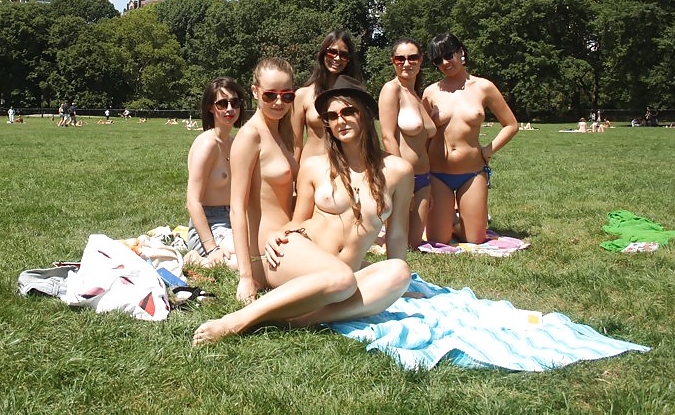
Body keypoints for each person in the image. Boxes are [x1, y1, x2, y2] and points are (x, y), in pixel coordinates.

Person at [193, 76, 412, 345]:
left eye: (348, 111)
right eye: (332, 116)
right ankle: (238, 320)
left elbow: (398, 234)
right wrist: (279, 233)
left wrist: (405, 289)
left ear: (365, 113)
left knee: (399, 273)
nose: (340, 121)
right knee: (342, 279)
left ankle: (299, 320)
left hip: (343, 273)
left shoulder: (399, 172)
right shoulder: (315, 166)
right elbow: (299, 220)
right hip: (297, 255)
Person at [422, 33, 518, 244]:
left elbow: (511, 125)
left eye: (449, 55)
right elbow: (424, 135)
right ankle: (450, 221)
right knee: (439, 240)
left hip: (472, 173)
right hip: (438, 174)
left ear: (461, 52)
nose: (445, 63)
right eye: (438, 60)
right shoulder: (430, 93)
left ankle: (458, 223)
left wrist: (488, 150)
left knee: (475, 240)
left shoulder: (484, 87)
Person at [228, 57, 299, 305]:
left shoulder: (281, 132)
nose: (279, 102)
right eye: (270, 95)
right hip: (267, 253)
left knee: (358, 267)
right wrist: (246, 276)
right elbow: (237, 208)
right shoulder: (250, 136)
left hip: (289, 237)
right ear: (255, 91)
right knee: (340, 277)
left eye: (286, 96)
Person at [379, 37, 436, 248]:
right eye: (400, 58)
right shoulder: (391, 90)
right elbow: (388, 137)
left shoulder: (415, 94)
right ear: (393, 61)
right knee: (402, 244)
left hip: (425, 178)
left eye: (412, 58)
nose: (406, 63)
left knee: (414, 243)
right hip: (405, 178)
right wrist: (403, 179)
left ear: (420, 61)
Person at [185, 77, 247, 266]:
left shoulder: (235, 143)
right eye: (222, 103)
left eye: (234, 103)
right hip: (209, 226)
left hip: (235, 219)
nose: (229, 109)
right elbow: (192, 201)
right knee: (244, 261)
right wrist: (211, 248)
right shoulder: (207, 144)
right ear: (211, 107)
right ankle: (197, 260)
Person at [291, 30, 363, 164]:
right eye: (332, 52)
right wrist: (293, 180)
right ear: (322, 53)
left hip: (346, 168)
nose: (337, 58)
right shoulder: (303, 95)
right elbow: (295, 146)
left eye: (344, 55)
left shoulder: (356, 94)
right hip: (312, 171)